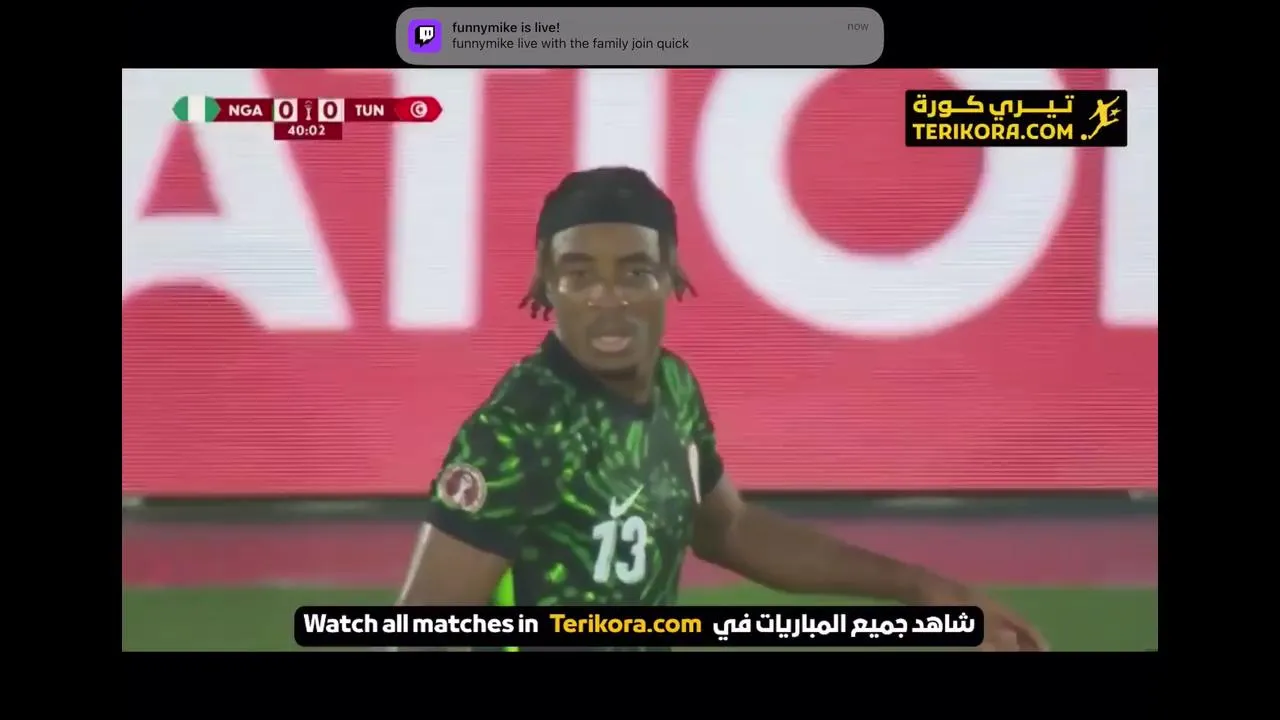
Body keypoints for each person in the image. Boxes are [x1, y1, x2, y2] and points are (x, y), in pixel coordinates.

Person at [397, 166, 1047, 652]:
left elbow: (729, 529)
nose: (607, 298)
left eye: (634, 272)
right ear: (546, 279)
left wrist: (921, 590)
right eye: (579, 273)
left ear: (670, 273)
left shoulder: (674, 389)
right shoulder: (517, 434)